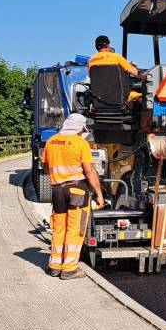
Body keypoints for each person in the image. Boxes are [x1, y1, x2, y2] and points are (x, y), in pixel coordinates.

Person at [43, 114, 106, 280]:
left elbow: (45, 166)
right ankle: (69, 269)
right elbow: (90, 172)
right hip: (77, 190)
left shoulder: (51, 141)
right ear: (80, 128)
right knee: (75, 228)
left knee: (59, 228)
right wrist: (99, 195)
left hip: (57, 191)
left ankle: (55, 266)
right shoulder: (81, 143)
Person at [88, 35, 145, 103]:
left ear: (96, 47)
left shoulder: (91, 61)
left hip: (99, 102)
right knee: (142, 96)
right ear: (108, 45)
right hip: (119, 101)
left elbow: (92, 77)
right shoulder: (117, 57)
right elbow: (136, 74)